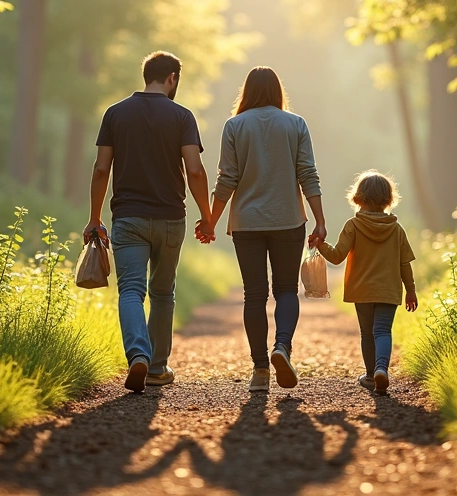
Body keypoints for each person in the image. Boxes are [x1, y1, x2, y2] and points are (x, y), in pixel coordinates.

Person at [84, 51, 214, 393]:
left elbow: (100, 170)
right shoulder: (182, 116)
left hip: (128, 218)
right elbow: (195, 170)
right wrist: (207, 215)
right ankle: (157, 367)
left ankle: (138, 355)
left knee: (130, 290)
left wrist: (94, 218)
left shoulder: (115, 114)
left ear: (147, 75)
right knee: (162, 292)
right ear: (172, 78)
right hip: (171, 218)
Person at [201, 66, 327, 393]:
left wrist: (211, 221)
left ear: (246, 92)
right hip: (288, 220)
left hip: (247, 222)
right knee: (286, 289)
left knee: (254, 295)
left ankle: (259, 370)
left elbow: (226, 179)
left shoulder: (234, 126)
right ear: (277, 92)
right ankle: (281, 348)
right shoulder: (296, 124)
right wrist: (320, 220)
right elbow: (308, 174)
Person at [316, 171, 418, 394]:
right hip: (388, 289)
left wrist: (320, 245)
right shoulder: (396, 229)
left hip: (361, 289)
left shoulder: (353, 225)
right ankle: (382, 368)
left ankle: (371, 375)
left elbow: (336, 257)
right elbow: (404, 264)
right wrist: (410, 291)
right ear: (388, 199)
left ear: (358, 198)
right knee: (382, 330)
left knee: (367, 333)